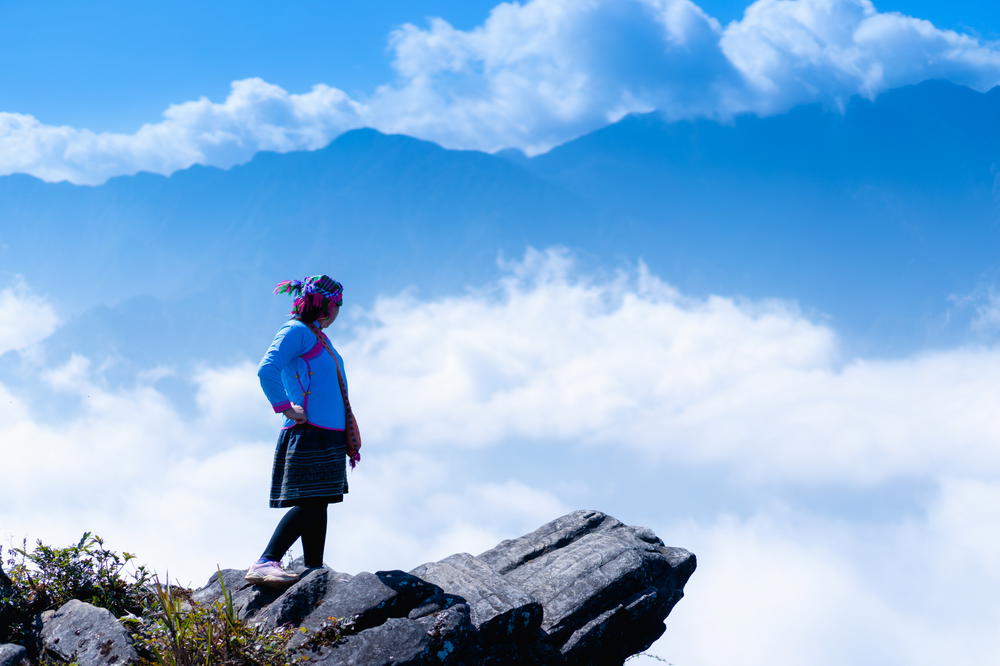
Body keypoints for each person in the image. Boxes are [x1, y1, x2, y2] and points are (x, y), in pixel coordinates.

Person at [245, 275, 362, 587]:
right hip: (308, 430)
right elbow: (266, 369)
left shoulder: (317, 336)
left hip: (328, 432)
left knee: (319, 499)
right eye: (338, 305)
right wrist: (285, 407)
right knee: (311, 501)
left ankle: (314, 568)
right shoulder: (296, 331)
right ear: (325, 305)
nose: (339, 311)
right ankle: (267, 560)